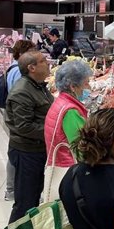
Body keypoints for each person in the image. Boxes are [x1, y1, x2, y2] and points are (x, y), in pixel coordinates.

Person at [1, 51, 54, 229]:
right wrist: (52, 130)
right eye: (43, 61)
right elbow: (23, 126)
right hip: (26, 153)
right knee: (24, 200)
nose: (47, 63)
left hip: (36, 151)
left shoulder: (38, 86)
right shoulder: (23, 91)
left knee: (32, 198)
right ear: (31, 68)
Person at [43, 59, 91, 202]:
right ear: (73, 86)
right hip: (67, 172)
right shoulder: (70, 111)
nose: (89, 87)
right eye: (86, 83)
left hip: (57, 165)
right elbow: (81, 149)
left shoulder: (60, 102)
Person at [2, 40, 35, 202]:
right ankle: (11, 190)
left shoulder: (14, 68)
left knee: (14, 153)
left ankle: (12, 189)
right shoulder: (18, 71)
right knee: (16, 154)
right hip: (18, 118)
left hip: (15, 117)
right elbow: (21, 96)